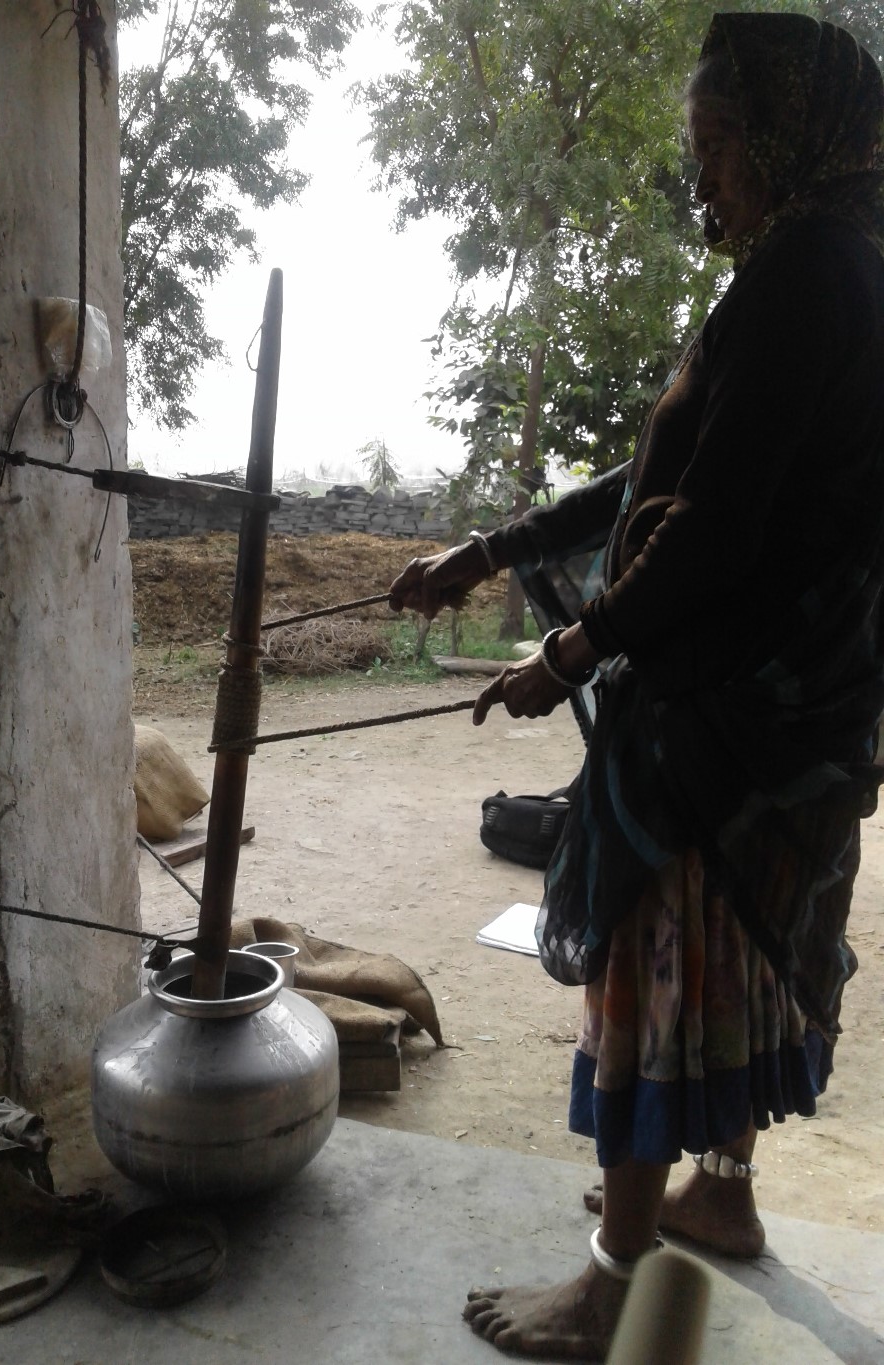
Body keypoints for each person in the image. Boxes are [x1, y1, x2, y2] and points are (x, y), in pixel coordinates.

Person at [389, 12, 884, 1359]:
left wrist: (570, 649)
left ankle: (611, 1278)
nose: (703, 174)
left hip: (728, 714)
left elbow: (709, 527)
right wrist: (495, 550)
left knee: (661, 964)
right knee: (738, 956)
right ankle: (721, 1193)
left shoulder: (808, 277)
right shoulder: (834, 265)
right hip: (799, 710)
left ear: (788, 138)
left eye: (720, 144)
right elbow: (668, 473)